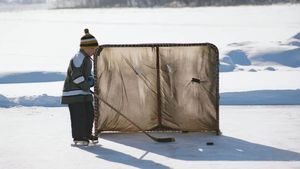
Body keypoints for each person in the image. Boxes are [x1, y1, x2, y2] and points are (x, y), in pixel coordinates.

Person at [61, 28, 98, 145]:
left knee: (90, 113)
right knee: (79, 115)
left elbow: (87, 75)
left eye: (95, 48)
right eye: (92, 48)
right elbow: (76, 75)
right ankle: (79, 137)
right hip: (73, 93)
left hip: (83, 93)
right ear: (84, 47)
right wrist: (85, 85)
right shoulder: (79, 57)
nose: (94, 51)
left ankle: (86, 134)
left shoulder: (88, 59)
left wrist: (91, 81)